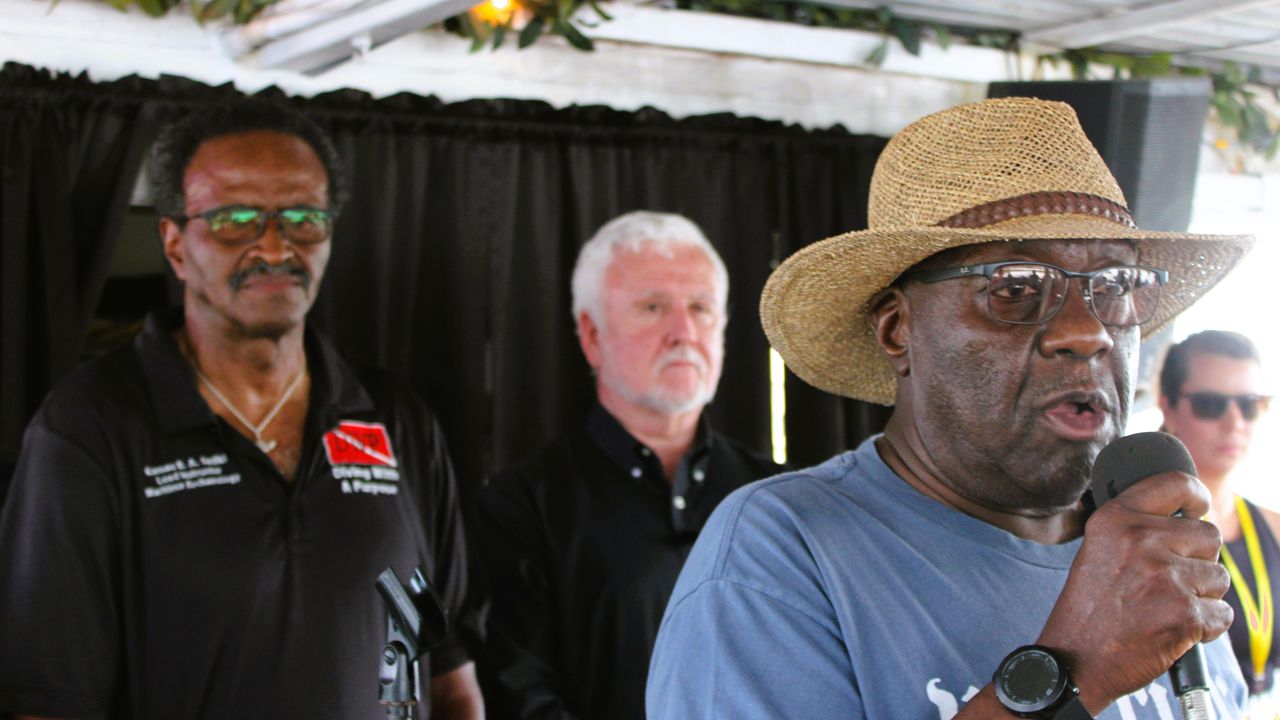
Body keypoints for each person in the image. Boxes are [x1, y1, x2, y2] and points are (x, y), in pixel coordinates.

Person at [646, 97, 1255, 719]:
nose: (1088, 331)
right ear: (896, 330)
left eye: (1116, 286)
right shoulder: (781, 550)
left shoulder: (1159, 553)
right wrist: (1078, 666)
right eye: (1015, 287)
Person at [0, 100, 483, 719]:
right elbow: (49, 701)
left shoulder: (395, 420)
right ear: (175, 244)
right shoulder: (93, 427)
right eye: (235, 218)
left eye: (305, 216)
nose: (276, 245)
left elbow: (448, 676)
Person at [472, 211, 783, 720]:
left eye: (701, 308)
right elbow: (520, 698)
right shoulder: (522, 507)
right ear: (592, 335)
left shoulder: (776, 496)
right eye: (654, 307)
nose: (683, 332)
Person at [1159, 331, 1277, 703]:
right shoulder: (1143, 531)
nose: (1234, 421)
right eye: (1210, 404)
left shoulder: (1274, 526)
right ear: (1168, 407)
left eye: (1250, 404)